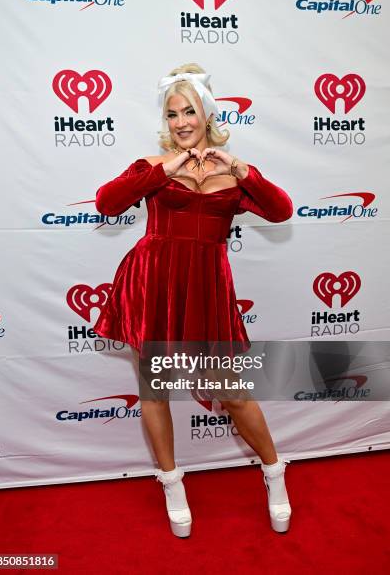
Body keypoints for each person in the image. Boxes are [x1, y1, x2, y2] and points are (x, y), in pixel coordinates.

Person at [93, 63, 294, 537]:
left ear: (207, 114)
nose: (181, 121)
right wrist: (164, 167)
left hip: (206, 289)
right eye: (172, 113)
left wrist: (240, 169)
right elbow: (106, 203)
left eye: (190, 111)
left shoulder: (234, 172)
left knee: (235, 395)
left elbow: (282, 210)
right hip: (155, 283)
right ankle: (171, 481)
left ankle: (274, 472)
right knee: (154, 388)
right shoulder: (154, 170)